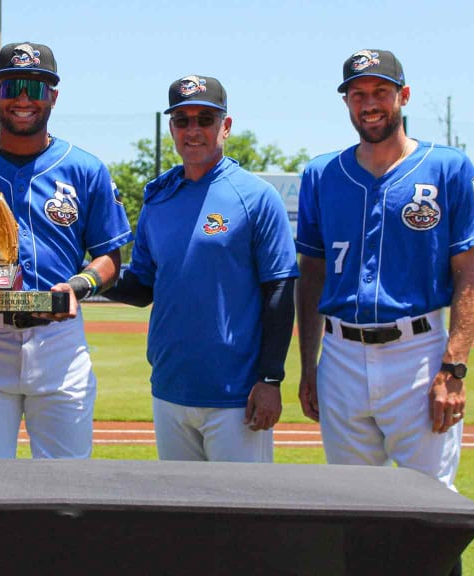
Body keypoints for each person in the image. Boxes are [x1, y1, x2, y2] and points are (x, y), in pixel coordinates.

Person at [0, 42, 132, 459]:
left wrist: (79, 285)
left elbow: (110, 257)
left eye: (35, 88)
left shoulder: (84, 167)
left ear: (53, 96)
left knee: (66, 483)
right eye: (11, 86)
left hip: (59, 342)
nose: (22, 99)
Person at [295, 49, 474, 490]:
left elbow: (469, 273)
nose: (369, 103)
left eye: (380, 91)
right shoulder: (322, 173)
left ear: (403, 95)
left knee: (433, 502)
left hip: (417, 357)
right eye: (357, 93)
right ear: (346, 102)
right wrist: (310, 366)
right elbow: (312, 275)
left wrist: (453, 369)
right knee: (353, 504)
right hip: (340, 357)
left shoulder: (447, 167)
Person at [104, 75, 299, 462]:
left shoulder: (256, 196)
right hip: (170, 388)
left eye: (205, 119)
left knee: (241, 518)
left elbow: (279, 291)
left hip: (235, 395)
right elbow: (143, 286)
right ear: (172, 129)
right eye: (182, 120)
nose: (193, 130)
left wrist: (271, 378)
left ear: (225, 126)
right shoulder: (158, 199)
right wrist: (87, 274)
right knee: (180, 518)